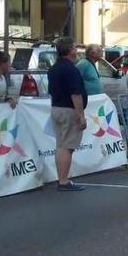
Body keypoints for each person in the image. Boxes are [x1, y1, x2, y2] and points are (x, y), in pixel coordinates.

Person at [46, 37, 87, 192]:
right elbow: (75, 94)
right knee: (67, 146)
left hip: (57, 107)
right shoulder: (70, 69)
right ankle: (63, 180)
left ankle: (62, 178)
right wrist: (80, 114)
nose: (77, 51)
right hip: (68, 109)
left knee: (61, 145)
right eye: (75, 48)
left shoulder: (54, 68)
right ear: (70, 50)